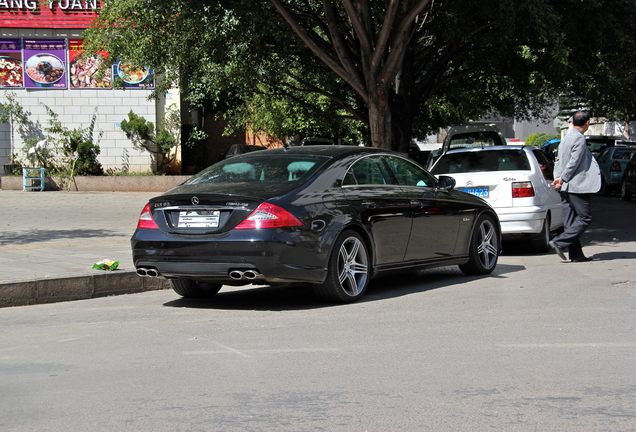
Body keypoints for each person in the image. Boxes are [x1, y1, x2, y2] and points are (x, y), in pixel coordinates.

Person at [549, 111, 601, 262]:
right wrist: (563, 179)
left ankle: (576, 255)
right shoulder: (579, 138)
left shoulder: (566, 138)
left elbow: (559, 161)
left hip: (565, 186)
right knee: (585, 217)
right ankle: (559, 242)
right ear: (587, 123)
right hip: (575, 185)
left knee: (570, 221)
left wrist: (558, 178)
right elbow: (574, 162)